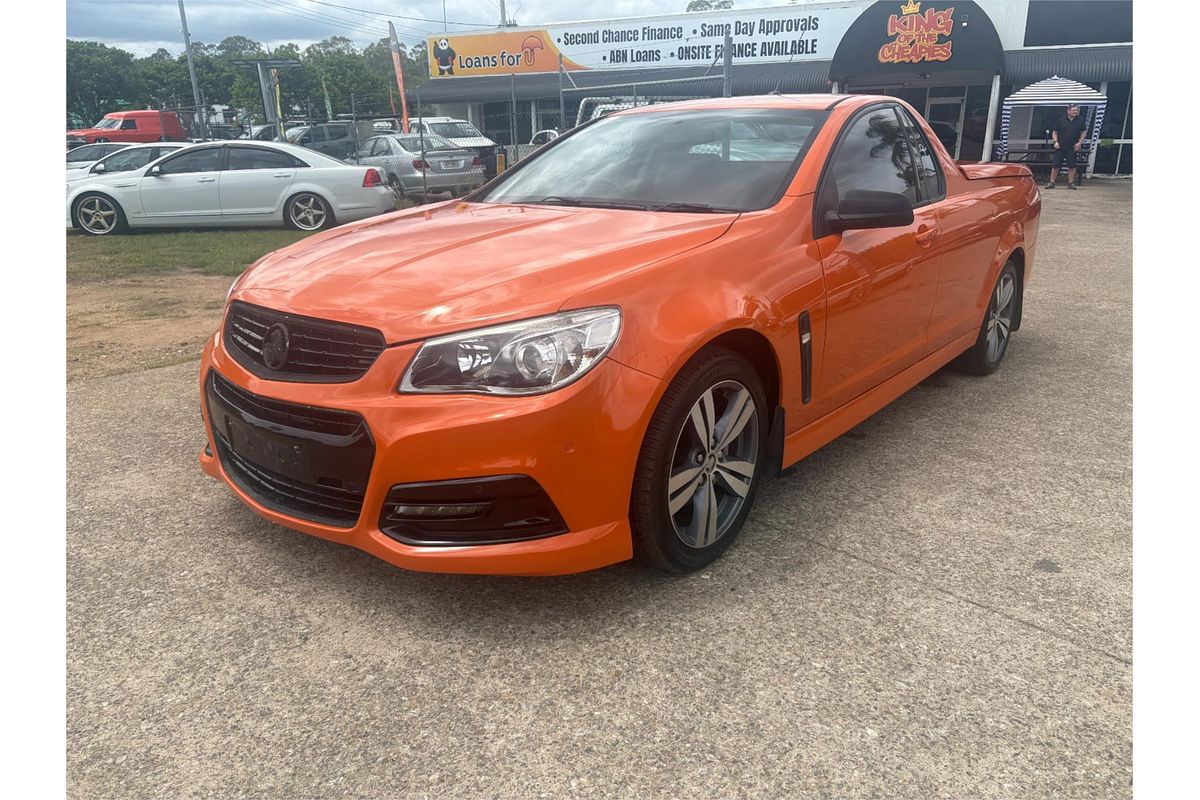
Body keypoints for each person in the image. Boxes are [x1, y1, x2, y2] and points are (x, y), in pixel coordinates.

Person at [1046, 104, 1088, 190]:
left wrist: (1080, 142)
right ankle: (1052, 182)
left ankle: (1070, 183)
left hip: (1072, 146)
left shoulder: (1080, 121)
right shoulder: (1061, 120)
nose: (1075, 112)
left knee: (1072, 165)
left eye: (1076, 110)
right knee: (1056, 165)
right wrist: (1055, 141)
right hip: (1060, 146)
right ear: (1068, 111)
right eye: (1074, 110)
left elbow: (1083, 131)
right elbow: (1054, 131)